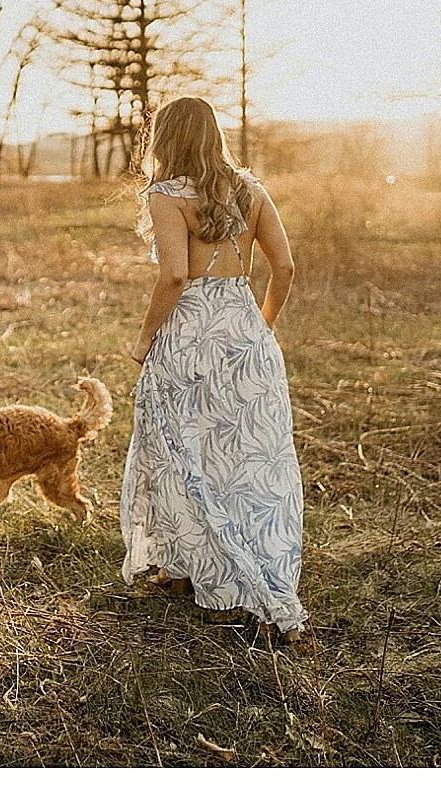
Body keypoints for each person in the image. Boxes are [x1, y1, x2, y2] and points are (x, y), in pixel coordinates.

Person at [120, 96, 308, 644]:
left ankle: (189, 569)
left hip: (190, 336)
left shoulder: (166, 195)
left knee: (180, 450)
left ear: (166, 140)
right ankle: (224, 571)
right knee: (248, 461)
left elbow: (175, 277)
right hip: (245, 331)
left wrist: (144, 338)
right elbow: (286, 265)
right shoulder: (250, 190)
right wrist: (262, 325)